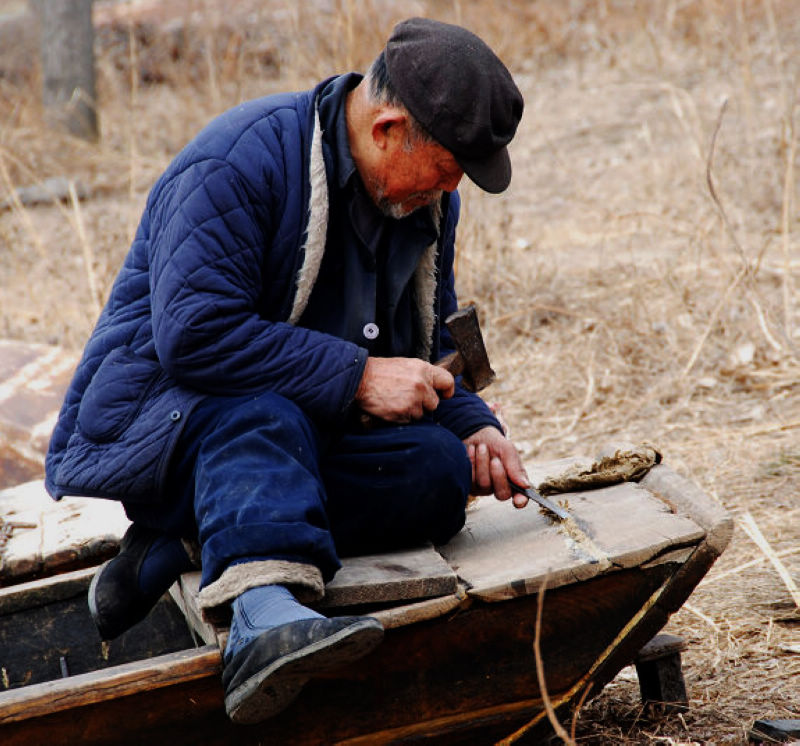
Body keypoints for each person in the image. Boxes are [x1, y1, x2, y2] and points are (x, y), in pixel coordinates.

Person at [45, 17, 528, 724]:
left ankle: (181, 538)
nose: (452, 188)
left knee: (436, 473)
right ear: (389, 128)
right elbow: (196, 338)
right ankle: (263, 620)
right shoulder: (238, 161)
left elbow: (420, 346)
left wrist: (474, 426)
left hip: (288, 441)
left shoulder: (419, 199)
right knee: (266, 413)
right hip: (168, 421)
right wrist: (361, 379)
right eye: (449, 167)